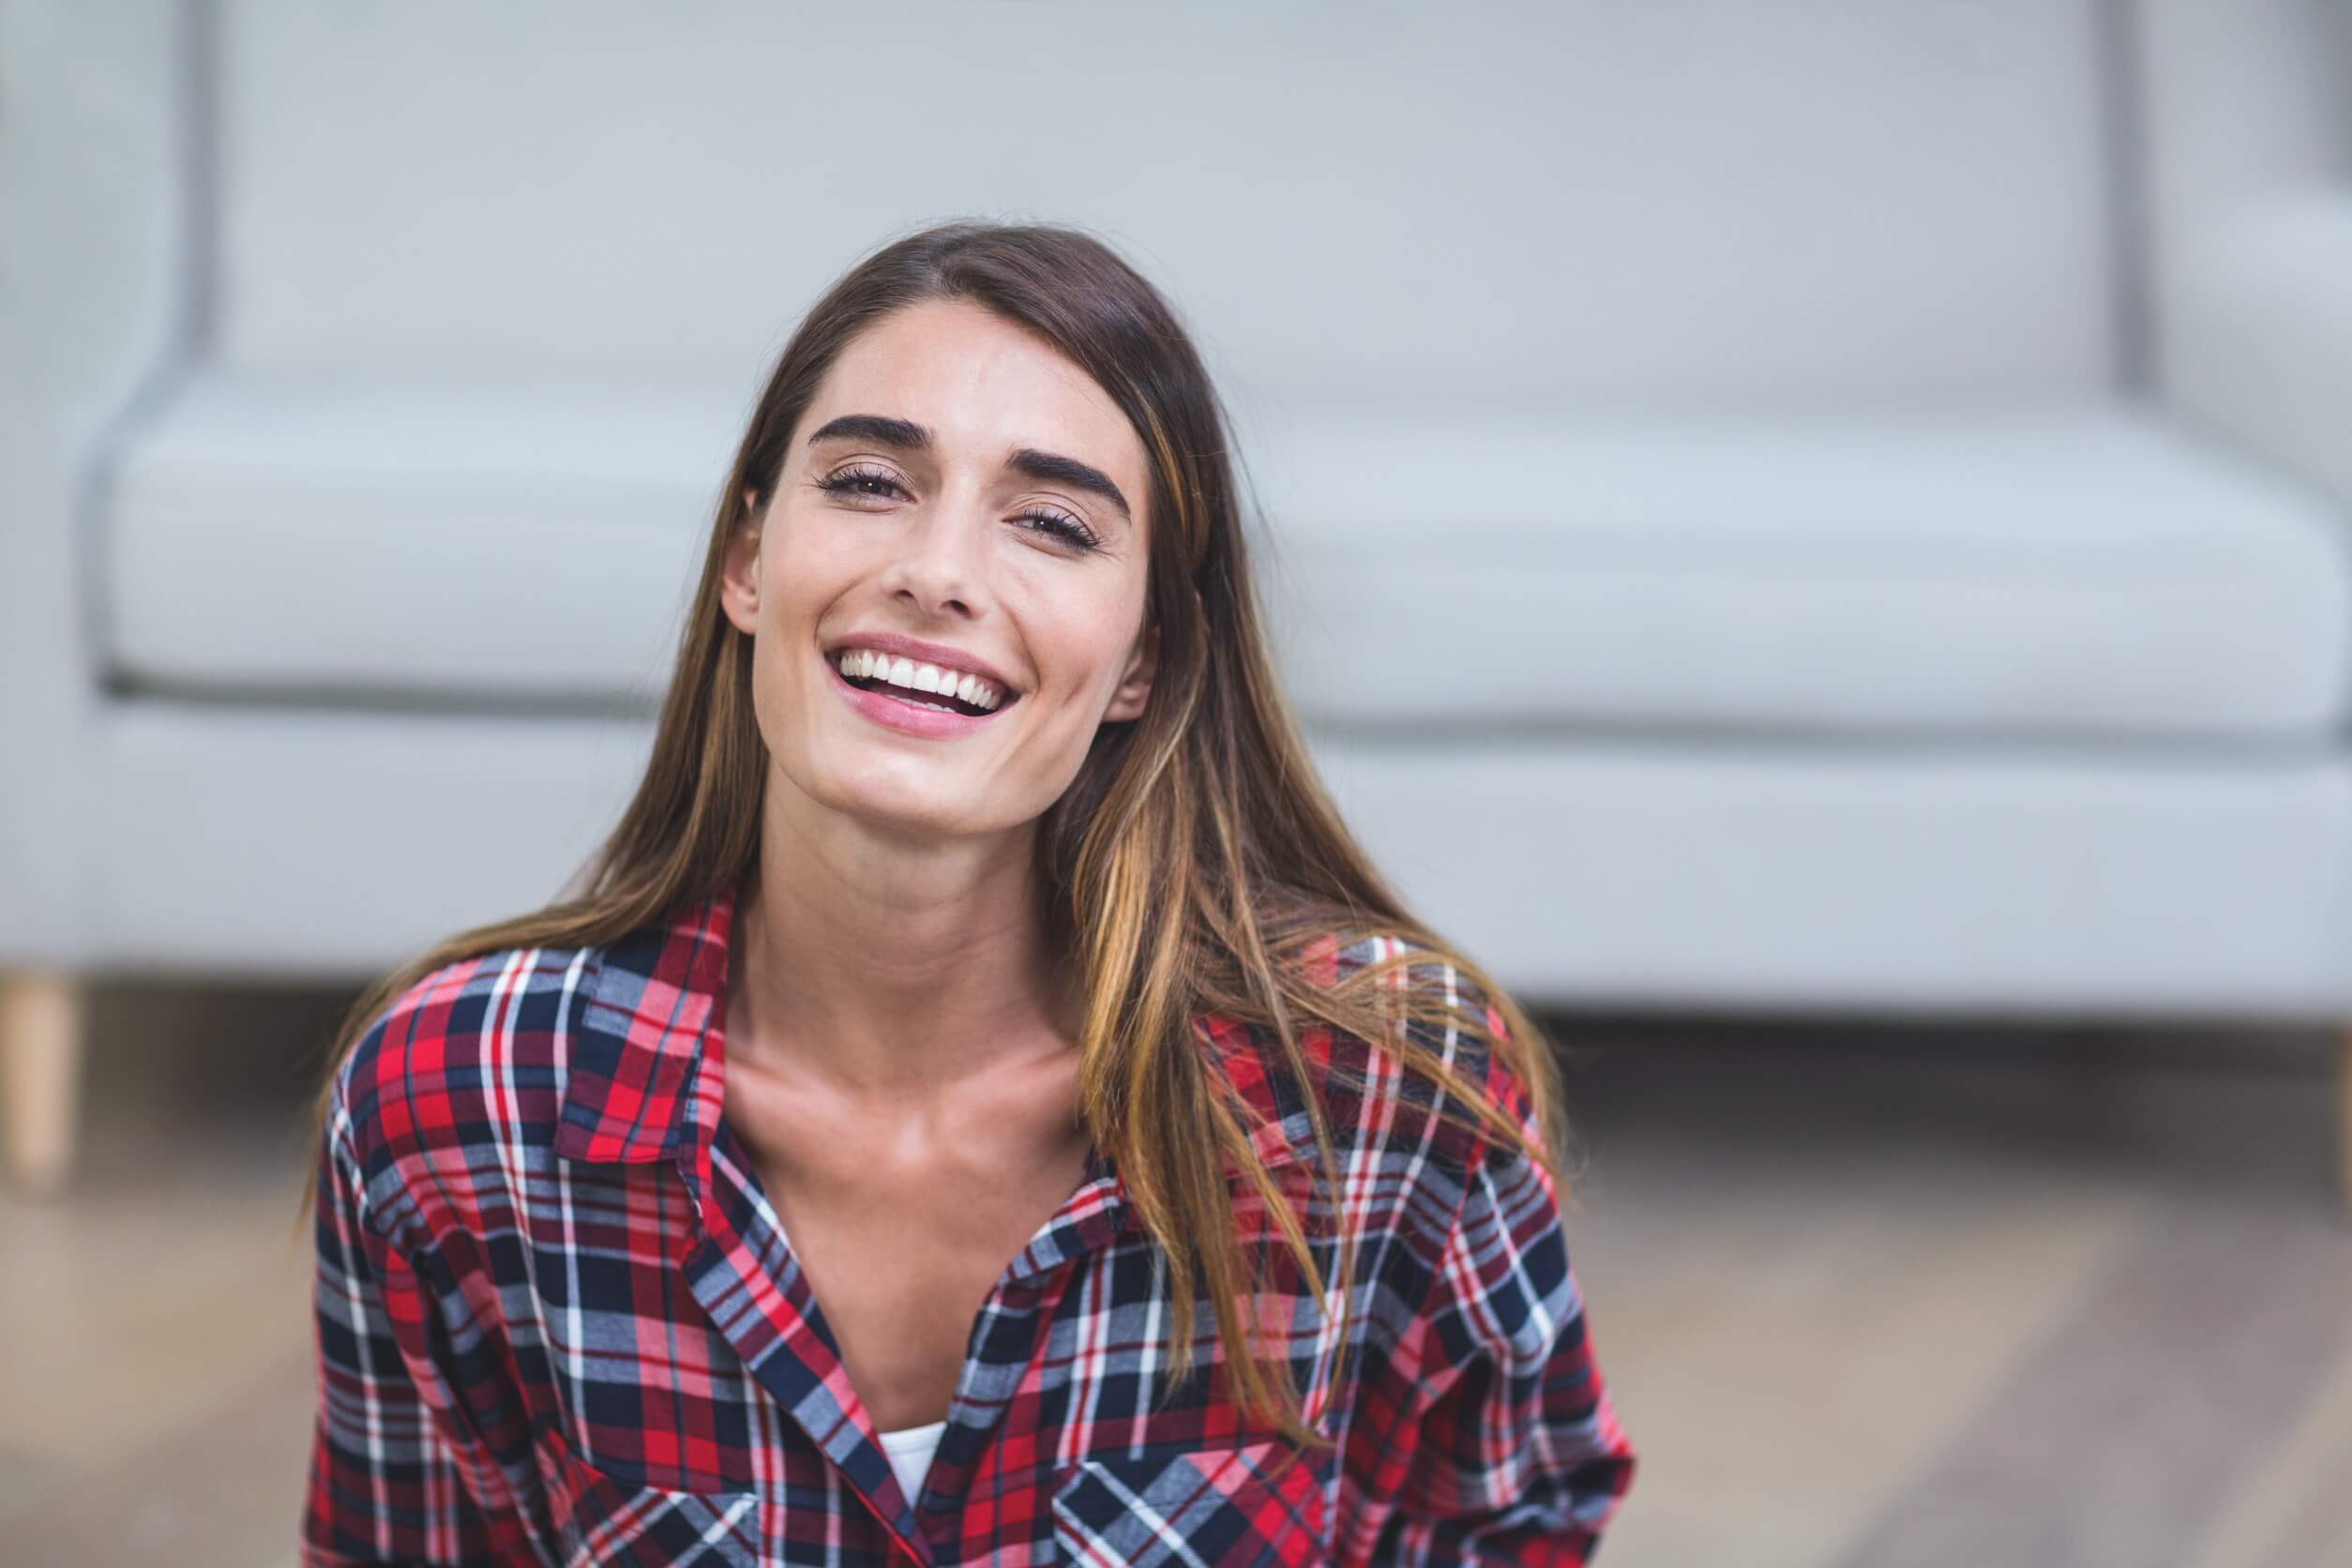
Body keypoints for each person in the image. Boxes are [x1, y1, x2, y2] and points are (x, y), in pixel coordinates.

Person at [295, 219, 1636, 1566]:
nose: (937, 573)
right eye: (871, 482)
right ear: (750, 561)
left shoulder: (1381, 1095)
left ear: (1141, 666)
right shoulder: (455, 1110)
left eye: (1051, 524)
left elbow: (1508, 1527)